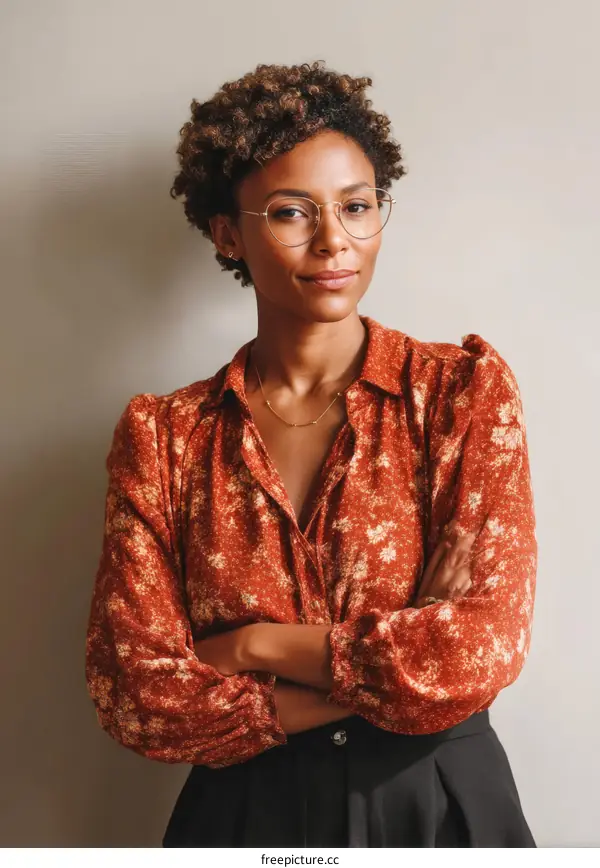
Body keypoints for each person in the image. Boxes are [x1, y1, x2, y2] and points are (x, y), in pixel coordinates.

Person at [85, 60, 538, 847]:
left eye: (358, 207)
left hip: (435, 804)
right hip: (241, 815)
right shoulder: (165, 437)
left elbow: (477, 651)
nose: (336, 241)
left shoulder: (459, 394)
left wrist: (248, 645)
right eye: (292, 212)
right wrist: (401, 653)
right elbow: (137, 695)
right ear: (228, 231)